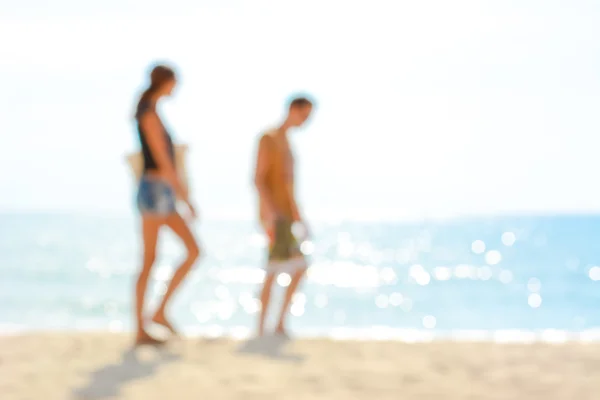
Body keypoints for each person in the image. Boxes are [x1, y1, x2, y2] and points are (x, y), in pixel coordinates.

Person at [132, 64, 200, 345]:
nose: (176, 88)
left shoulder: (152, 111)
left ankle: (157, 313)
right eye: (175, 82)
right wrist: (186, 198)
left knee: (192, 251)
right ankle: (142, 327)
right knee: (150, 260)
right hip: (156, 191)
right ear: (166, 82)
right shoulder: (149, 113)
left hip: (160, 191)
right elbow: (162, 162)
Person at [253, 96, 314, 337]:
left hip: (287, 216)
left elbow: (288, 186)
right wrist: (269, 215)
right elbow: (259, 179)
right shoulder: (269, 138)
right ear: (293, 109)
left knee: (293, 268)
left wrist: (299, 216)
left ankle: (276, 324)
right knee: (274, 269)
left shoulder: (287, 143)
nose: (306, 121)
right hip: (276, 216)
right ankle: (263, 327)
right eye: (305, 115)